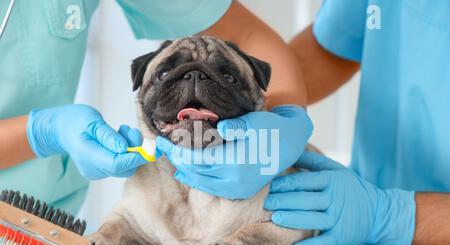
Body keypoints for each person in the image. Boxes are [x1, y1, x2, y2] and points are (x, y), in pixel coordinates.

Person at [158, 0, 450, 245]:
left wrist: (391, 215)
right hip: (354, 223)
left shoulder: (373, 213)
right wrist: (262, 112)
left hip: (389, 223)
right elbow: (333, 48)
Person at [0, 1, 312, 214]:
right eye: (166, 75)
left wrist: (288, 118)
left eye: (223, 76)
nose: (194, 82)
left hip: (42, 231)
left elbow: (246, 34)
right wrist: (40, 133)